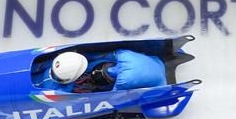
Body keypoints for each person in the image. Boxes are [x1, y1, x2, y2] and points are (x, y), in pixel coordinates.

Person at [37, 49, 167, 93]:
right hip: (155, 61)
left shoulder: (122, 81)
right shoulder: (121, 55)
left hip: (158, 80)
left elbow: (113, 96)